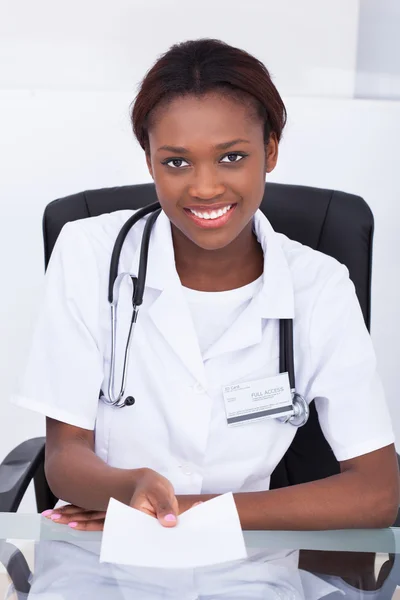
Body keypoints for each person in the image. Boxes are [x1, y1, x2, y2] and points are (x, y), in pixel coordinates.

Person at [11, 38, 398, 533]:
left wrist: (189, 511)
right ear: (149, 160)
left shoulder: (319, 286)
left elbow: (377, 491)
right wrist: (130, 488)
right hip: (106, 555)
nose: (205, 187)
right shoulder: (88, 252)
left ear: (270, 150)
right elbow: (64, 457)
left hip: (250, 562)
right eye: (176, 162)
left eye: (232, 157)